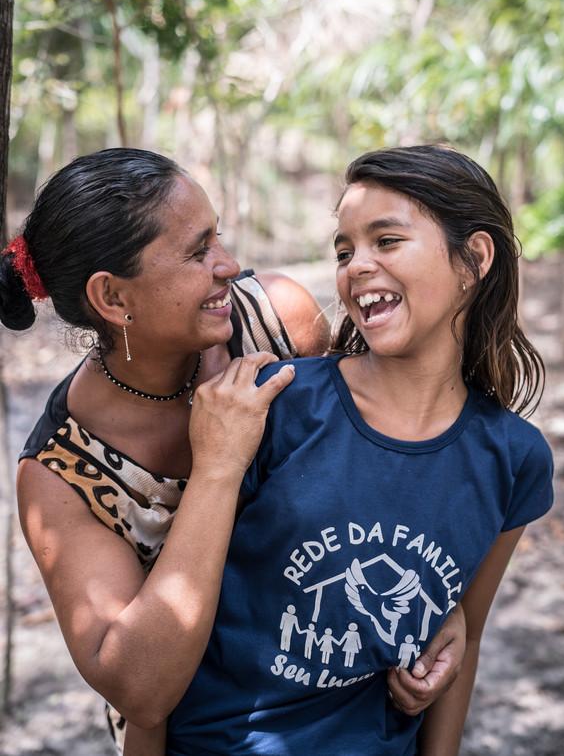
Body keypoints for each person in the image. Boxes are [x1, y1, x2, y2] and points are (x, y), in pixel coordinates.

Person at [0, 148, 465, 756]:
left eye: (218, 238)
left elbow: (369, 479)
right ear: (113, 299)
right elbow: (141, 691)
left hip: (335, 697)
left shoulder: (280, 324)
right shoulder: (61, 476)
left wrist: (435, 605)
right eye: (198, 252)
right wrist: (218, 466)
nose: (230, 265)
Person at [163, 146, 554, 756]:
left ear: (474, 258)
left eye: (387, 240)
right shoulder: (279, 406)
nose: (355, 267)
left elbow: (462, 638)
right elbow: (176, 604)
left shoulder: (516, 459)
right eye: (344, 251)